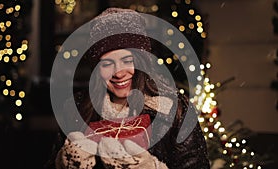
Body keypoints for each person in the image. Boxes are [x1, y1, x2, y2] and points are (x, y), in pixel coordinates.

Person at [49, 7, 210, 169]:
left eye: (127, 60)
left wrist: (153, 167)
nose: (118, 73)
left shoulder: (174, 109)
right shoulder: (76, 108)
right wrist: (63, 164)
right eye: (107, 64)